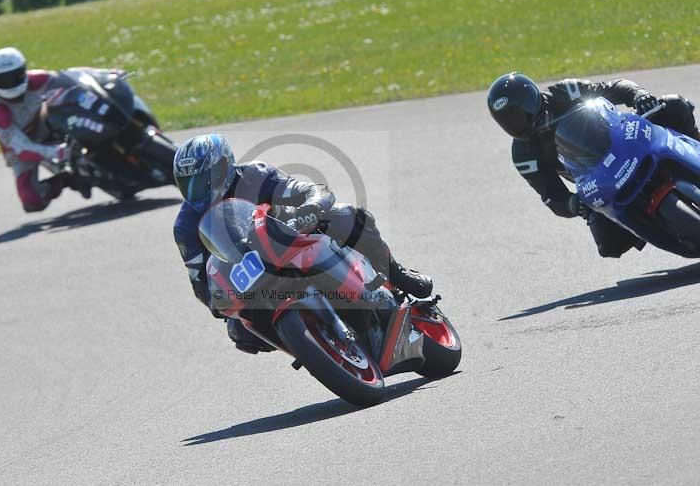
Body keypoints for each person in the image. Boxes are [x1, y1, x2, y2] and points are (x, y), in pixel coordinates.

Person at [172, 133, 433, 353]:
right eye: (188, 184)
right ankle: (315, 344)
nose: (198, 190)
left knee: (347, 216)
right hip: (255, 278)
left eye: (204, 179)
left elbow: (308, 189)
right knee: (239, 331)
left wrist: (312, 206)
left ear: (225, 165)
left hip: (295, 239)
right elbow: (200, 280)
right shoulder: (185, 227)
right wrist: (218, 304)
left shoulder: (255, 174)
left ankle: (396, 274)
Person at [487, 72, 699, 258]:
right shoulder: (524, 155)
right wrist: (573, 204)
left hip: (626, 140)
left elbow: (612, 88)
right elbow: (551, 195)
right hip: (600, 181)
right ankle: (660, 225)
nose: (516, 124)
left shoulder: (564, 92)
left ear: (530, 101)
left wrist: (638, 95)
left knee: (673, 105)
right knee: (609, 244)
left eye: (517, 115)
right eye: (507, 121)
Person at [0, 47, 99, 212]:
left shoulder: (38, 79)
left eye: (15, 76)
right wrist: (56, 152)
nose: (10, 84)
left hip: (44, 124)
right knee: (31, 201)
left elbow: (71, 78)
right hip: (20, 147)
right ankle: (66, 179)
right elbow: (21, 148)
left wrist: (105, 76)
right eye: (3, 80)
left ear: (24, 71)